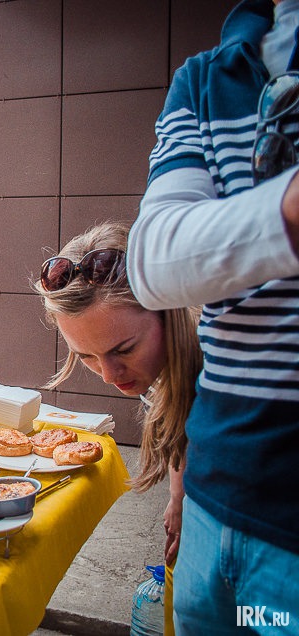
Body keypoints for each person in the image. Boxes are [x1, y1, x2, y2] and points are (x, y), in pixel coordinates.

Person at [127, 1, 299, 629]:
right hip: (215, 492)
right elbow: (153, 259)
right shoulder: (203, 80)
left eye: (119, 351)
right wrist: (285, 211)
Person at [35, 222, 200, 636]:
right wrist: (178, 494)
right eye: (86, 356)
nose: (109, 375)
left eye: (123, 350)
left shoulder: (224, 373)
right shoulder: (167, 368)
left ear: (170, 310)